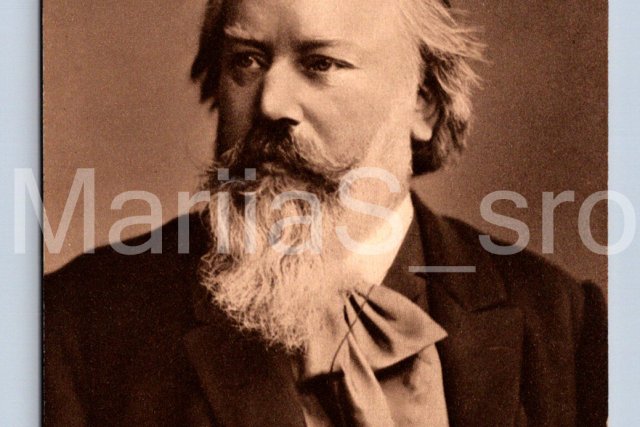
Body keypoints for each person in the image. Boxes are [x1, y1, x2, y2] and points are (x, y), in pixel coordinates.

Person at [44, 0, 607, 425]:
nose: (270, 103)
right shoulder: (76, 325)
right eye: (246, 60)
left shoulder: (564, 324)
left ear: (424, 103)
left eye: (321, 64)